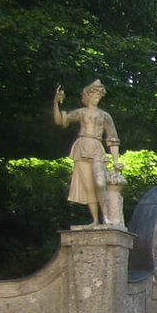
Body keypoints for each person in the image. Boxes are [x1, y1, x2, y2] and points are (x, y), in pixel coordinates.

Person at [54, 80, 124, 227]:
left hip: (97, 149)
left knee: (100, 183)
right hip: (82, 148)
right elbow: (60, 120)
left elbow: (113, 139)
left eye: (98, 94)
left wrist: (116, 160)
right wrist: (56, 102)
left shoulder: (105, 116)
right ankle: (95, 220)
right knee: (89, 187)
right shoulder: (81, 113)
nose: (96, 97)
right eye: (93, 94)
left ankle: (106, 217)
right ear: (87, 96)